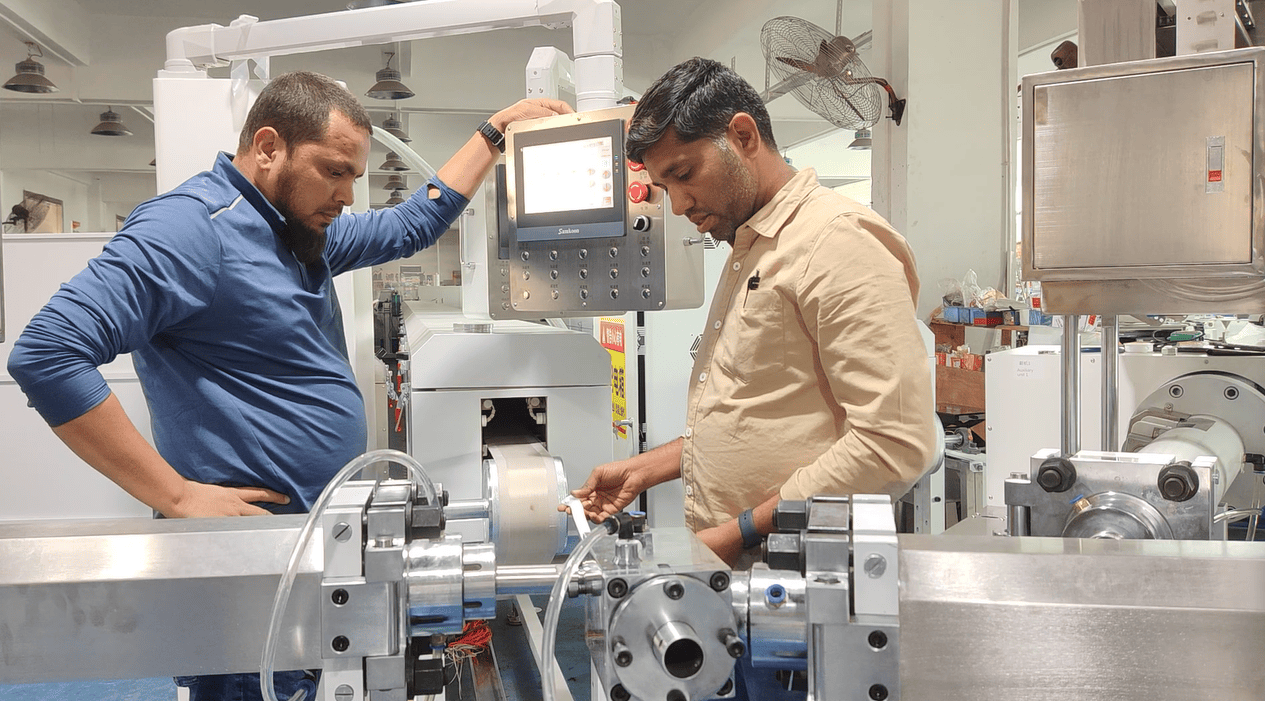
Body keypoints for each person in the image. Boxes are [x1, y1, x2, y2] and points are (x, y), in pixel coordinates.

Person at [7, 70, 569, 700]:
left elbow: (412, 225)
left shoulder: (302, 236)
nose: (345, 195)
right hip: (246, 562)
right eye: (333, 170)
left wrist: (493, 135)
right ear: (269, 146)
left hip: (311, 549)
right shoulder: (192, 230)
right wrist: (178, 495)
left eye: (353, 177)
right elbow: (48, 353)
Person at [564, 57, 936, 568]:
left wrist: (741, 532)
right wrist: (645, 468)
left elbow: (893, 442)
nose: (677, 206)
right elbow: (753, 409)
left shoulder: (835, 242)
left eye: (683, 175)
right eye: (664, 187)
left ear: (742, 136)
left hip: (798, 572)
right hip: (748, 568)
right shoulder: (755, 243)